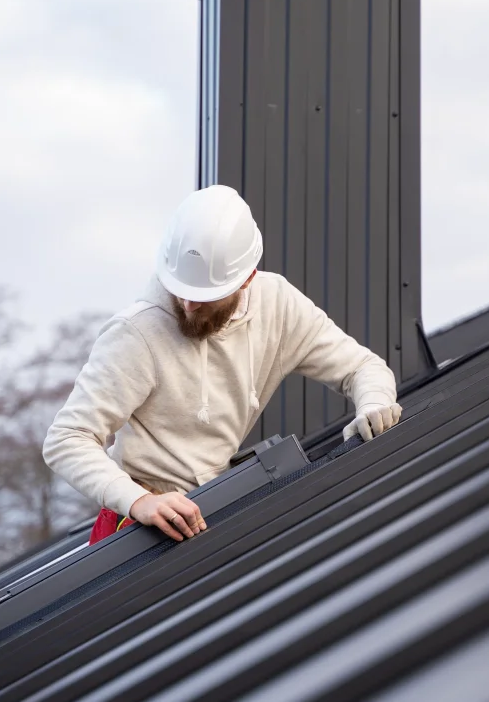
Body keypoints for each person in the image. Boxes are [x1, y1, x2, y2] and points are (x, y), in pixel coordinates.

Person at [44, 185, 402, 543]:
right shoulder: (136, 333)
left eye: (203, 297)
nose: (188, 305)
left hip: (211, 510)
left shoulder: (277, 306)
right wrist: (139, 501)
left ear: (247, 278)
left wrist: (374, 405)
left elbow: (362, 368)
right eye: (180, 290)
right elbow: (67, 439)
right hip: (136, 525)